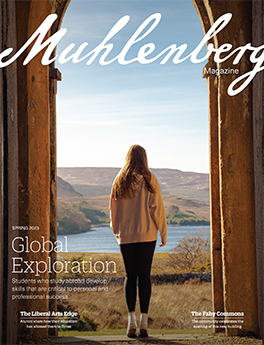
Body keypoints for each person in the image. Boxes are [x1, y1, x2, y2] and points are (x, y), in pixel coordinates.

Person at [109, 144, 167, 338]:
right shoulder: (149, 179)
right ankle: (144, 321)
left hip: (126, 236)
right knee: (144, 276)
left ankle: (130, 321)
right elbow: (156, 208)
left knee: (129, 276)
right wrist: (163, 233)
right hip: (147, 235)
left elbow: (113, 210)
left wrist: (117, 231)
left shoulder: (119, 180)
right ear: (144, 158)